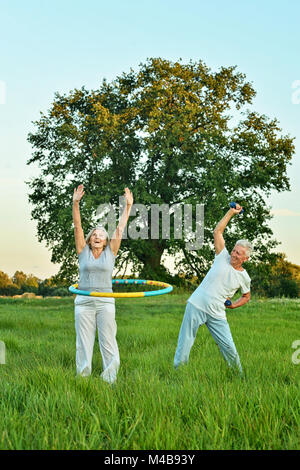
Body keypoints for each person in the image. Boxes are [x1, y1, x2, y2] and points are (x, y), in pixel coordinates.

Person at [173, 203, 252, 375]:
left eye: (238, 253)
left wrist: (233, 305)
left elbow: (246, 296)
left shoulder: (244, 277)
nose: (233, 254)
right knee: (185, 342)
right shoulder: (221, 256)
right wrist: (231, 212)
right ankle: (178, 373)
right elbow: (217, 231)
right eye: (234, 250)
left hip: (217, 313)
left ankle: (238, 375)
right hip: (196, 305)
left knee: (228, 346)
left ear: (245, 258)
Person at [72, 184, 133, 383]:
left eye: (101, 234)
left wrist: (128, 206)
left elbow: (120, 227)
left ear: (106, 241)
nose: (98, 236)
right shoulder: (82, 251)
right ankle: (83, 378)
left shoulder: (111, 252)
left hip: (106, 301)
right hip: (84, 302)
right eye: (95, 234)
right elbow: (78, 226)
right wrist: (75, 203)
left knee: (108, 341)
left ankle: (110, 379)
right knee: (84, 343)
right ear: (90, 240)